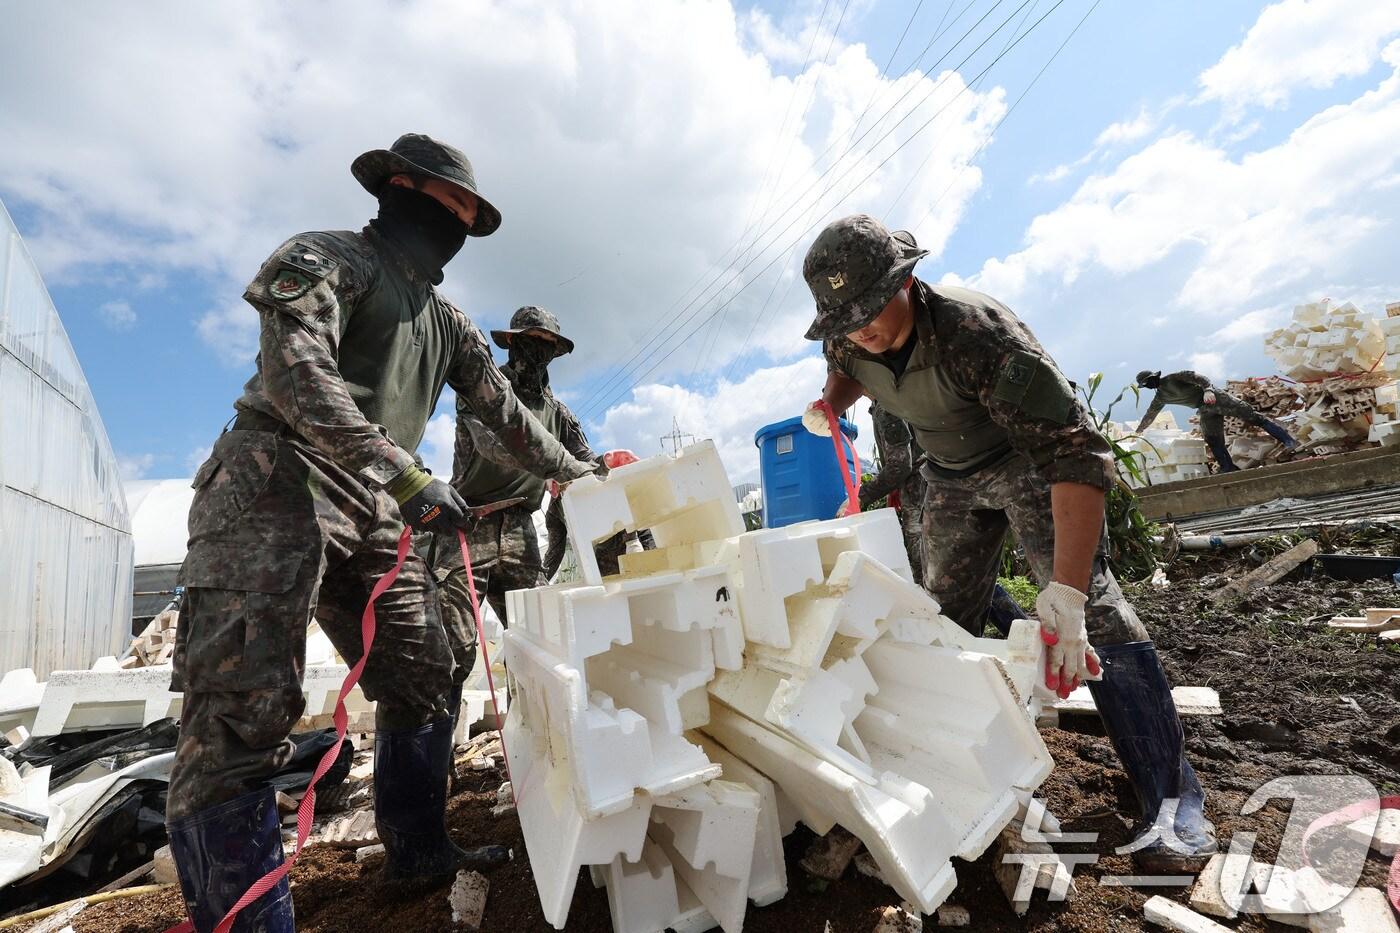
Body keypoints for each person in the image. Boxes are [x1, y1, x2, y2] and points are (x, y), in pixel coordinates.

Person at [166, 134, 596, 933]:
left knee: (425, 669)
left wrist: (583, 469)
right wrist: (399, 468)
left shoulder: (451, 325)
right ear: (401, 187)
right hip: (278, 480)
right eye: (452, 206)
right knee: (239, 710)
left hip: (378, 507)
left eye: (472, 214)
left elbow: (508, 417)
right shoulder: (328, 259)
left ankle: (418, 851)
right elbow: (299, 371)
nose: (461, 223)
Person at [800, 213, 1215, 869]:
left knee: (1098, 618)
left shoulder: (978, 335)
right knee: (941, 617)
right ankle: (961, 774)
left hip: (1028, 463)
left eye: (873, 305)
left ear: (906, 279)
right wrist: (832, 403)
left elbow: (1077, 454)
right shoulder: (848, 338)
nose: (864, 325)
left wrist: (1069, 593)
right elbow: (848, 364)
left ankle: (1174, 805)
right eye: (845, 316)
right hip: (951, 476)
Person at [433, 305, 599, 684]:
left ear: (555, 353)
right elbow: (494, 445)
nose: (537, 352)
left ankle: (528, 729)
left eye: (547, 345)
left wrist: (612, 464)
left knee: (540, 641)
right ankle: (435, 740)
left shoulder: (558, 412)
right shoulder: (484, 391)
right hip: (468, 524)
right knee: (452, 648)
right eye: (530, 342)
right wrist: (561, 466)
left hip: (522, 531)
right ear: (512, 343)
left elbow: (587, 459)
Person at [1136, 370, 1297, 472]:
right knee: (1212, 438)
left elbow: (1199, 378)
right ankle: (1228, 467)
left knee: (1255, 418)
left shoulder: (1174, 378)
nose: (1149, 384)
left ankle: (1289, 441)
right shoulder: (1160, 397)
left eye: (1149, 381)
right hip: (1204, 408)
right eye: (1146, 384)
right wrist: (1140, 430)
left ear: (1155, 377)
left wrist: (1208, 390)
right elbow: (1150, 414)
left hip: (1216, 398)